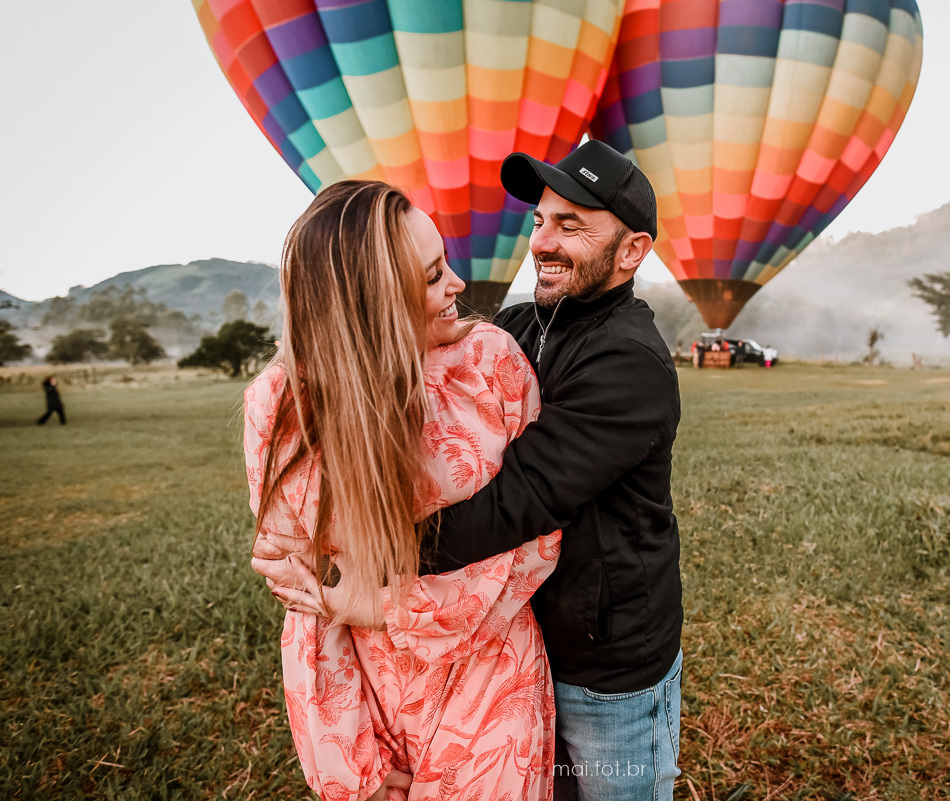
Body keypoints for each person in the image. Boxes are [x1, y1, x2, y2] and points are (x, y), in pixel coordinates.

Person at [258, 140, 685, 800]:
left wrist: (352, 574)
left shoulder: (629, 362)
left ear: (632, 251)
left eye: (572, 225)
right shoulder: (516, 326)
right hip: (521, 642)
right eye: (540, 220)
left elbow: (518, 501)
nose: (543, 241)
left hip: (608, 663)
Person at [244, 180, 561, 801]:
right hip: (367, 691)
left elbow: (540, 534)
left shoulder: (491, 362)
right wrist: (349, 763)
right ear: (373, 303)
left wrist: (382, 607)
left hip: (491, 674)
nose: (459, 287)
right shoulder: (284, 405)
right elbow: (305, 599)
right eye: (433, 275)